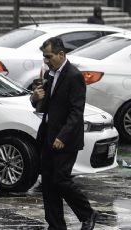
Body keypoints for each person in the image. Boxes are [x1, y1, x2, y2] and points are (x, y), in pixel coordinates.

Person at [31, 37, 99, 230]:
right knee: (49, 184)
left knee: (61, 180)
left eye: (49, 56)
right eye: (44, 57)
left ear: (61, 54)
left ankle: (87, 213)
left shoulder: (74, 76)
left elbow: (76, 112)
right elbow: (45, 105)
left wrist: (63, 136)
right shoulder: (51, 74)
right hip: (48, 136)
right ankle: (56, 225)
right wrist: (35, 98)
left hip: (65, 139)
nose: (46, 60)